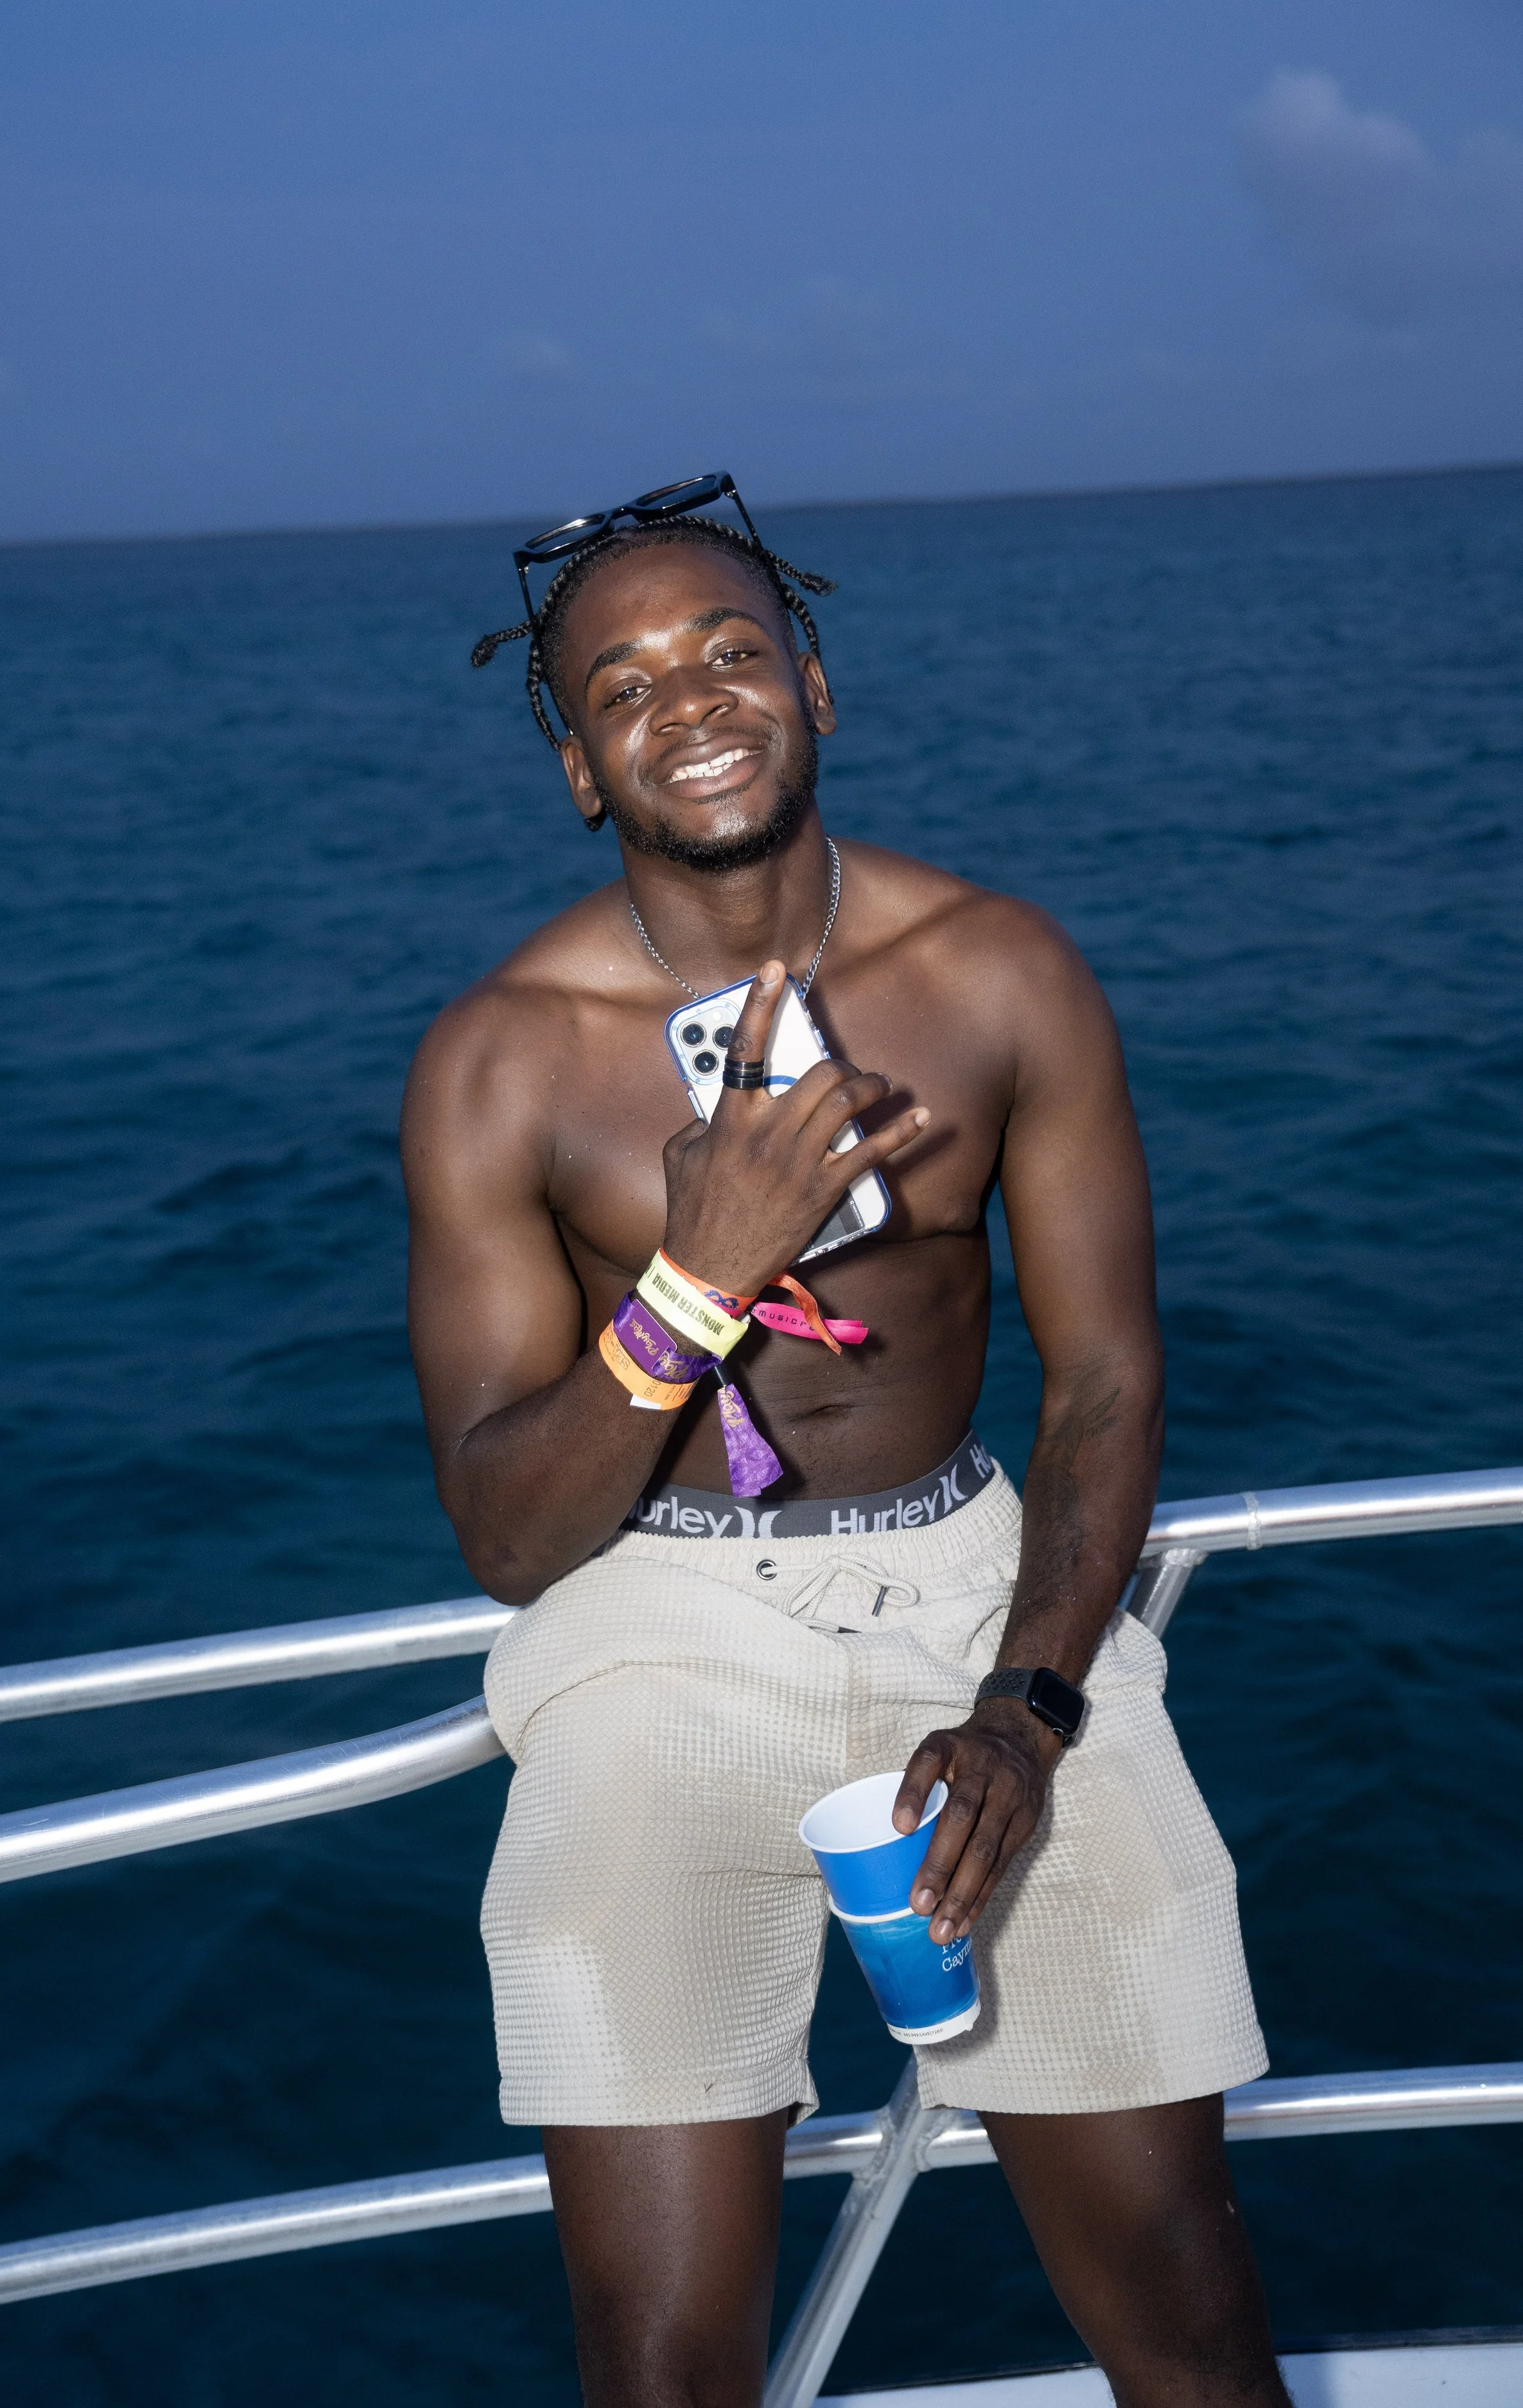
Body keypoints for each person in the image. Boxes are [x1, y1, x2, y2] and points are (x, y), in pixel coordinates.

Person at [401, 477, 1289, 2408]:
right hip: (653, 1628)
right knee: (657, 2362)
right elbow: (501, 1526)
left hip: (981, 1608)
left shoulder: (996, 975)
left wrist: (1027, 1706)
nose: (691, 701)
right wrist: (689, 1280)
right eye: (621, 683)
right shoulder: (504, 1057)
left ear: (813, 684)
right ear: (576, 768)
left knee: (1186, 2309)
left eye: (730, 650)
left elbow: (1105, 1382)